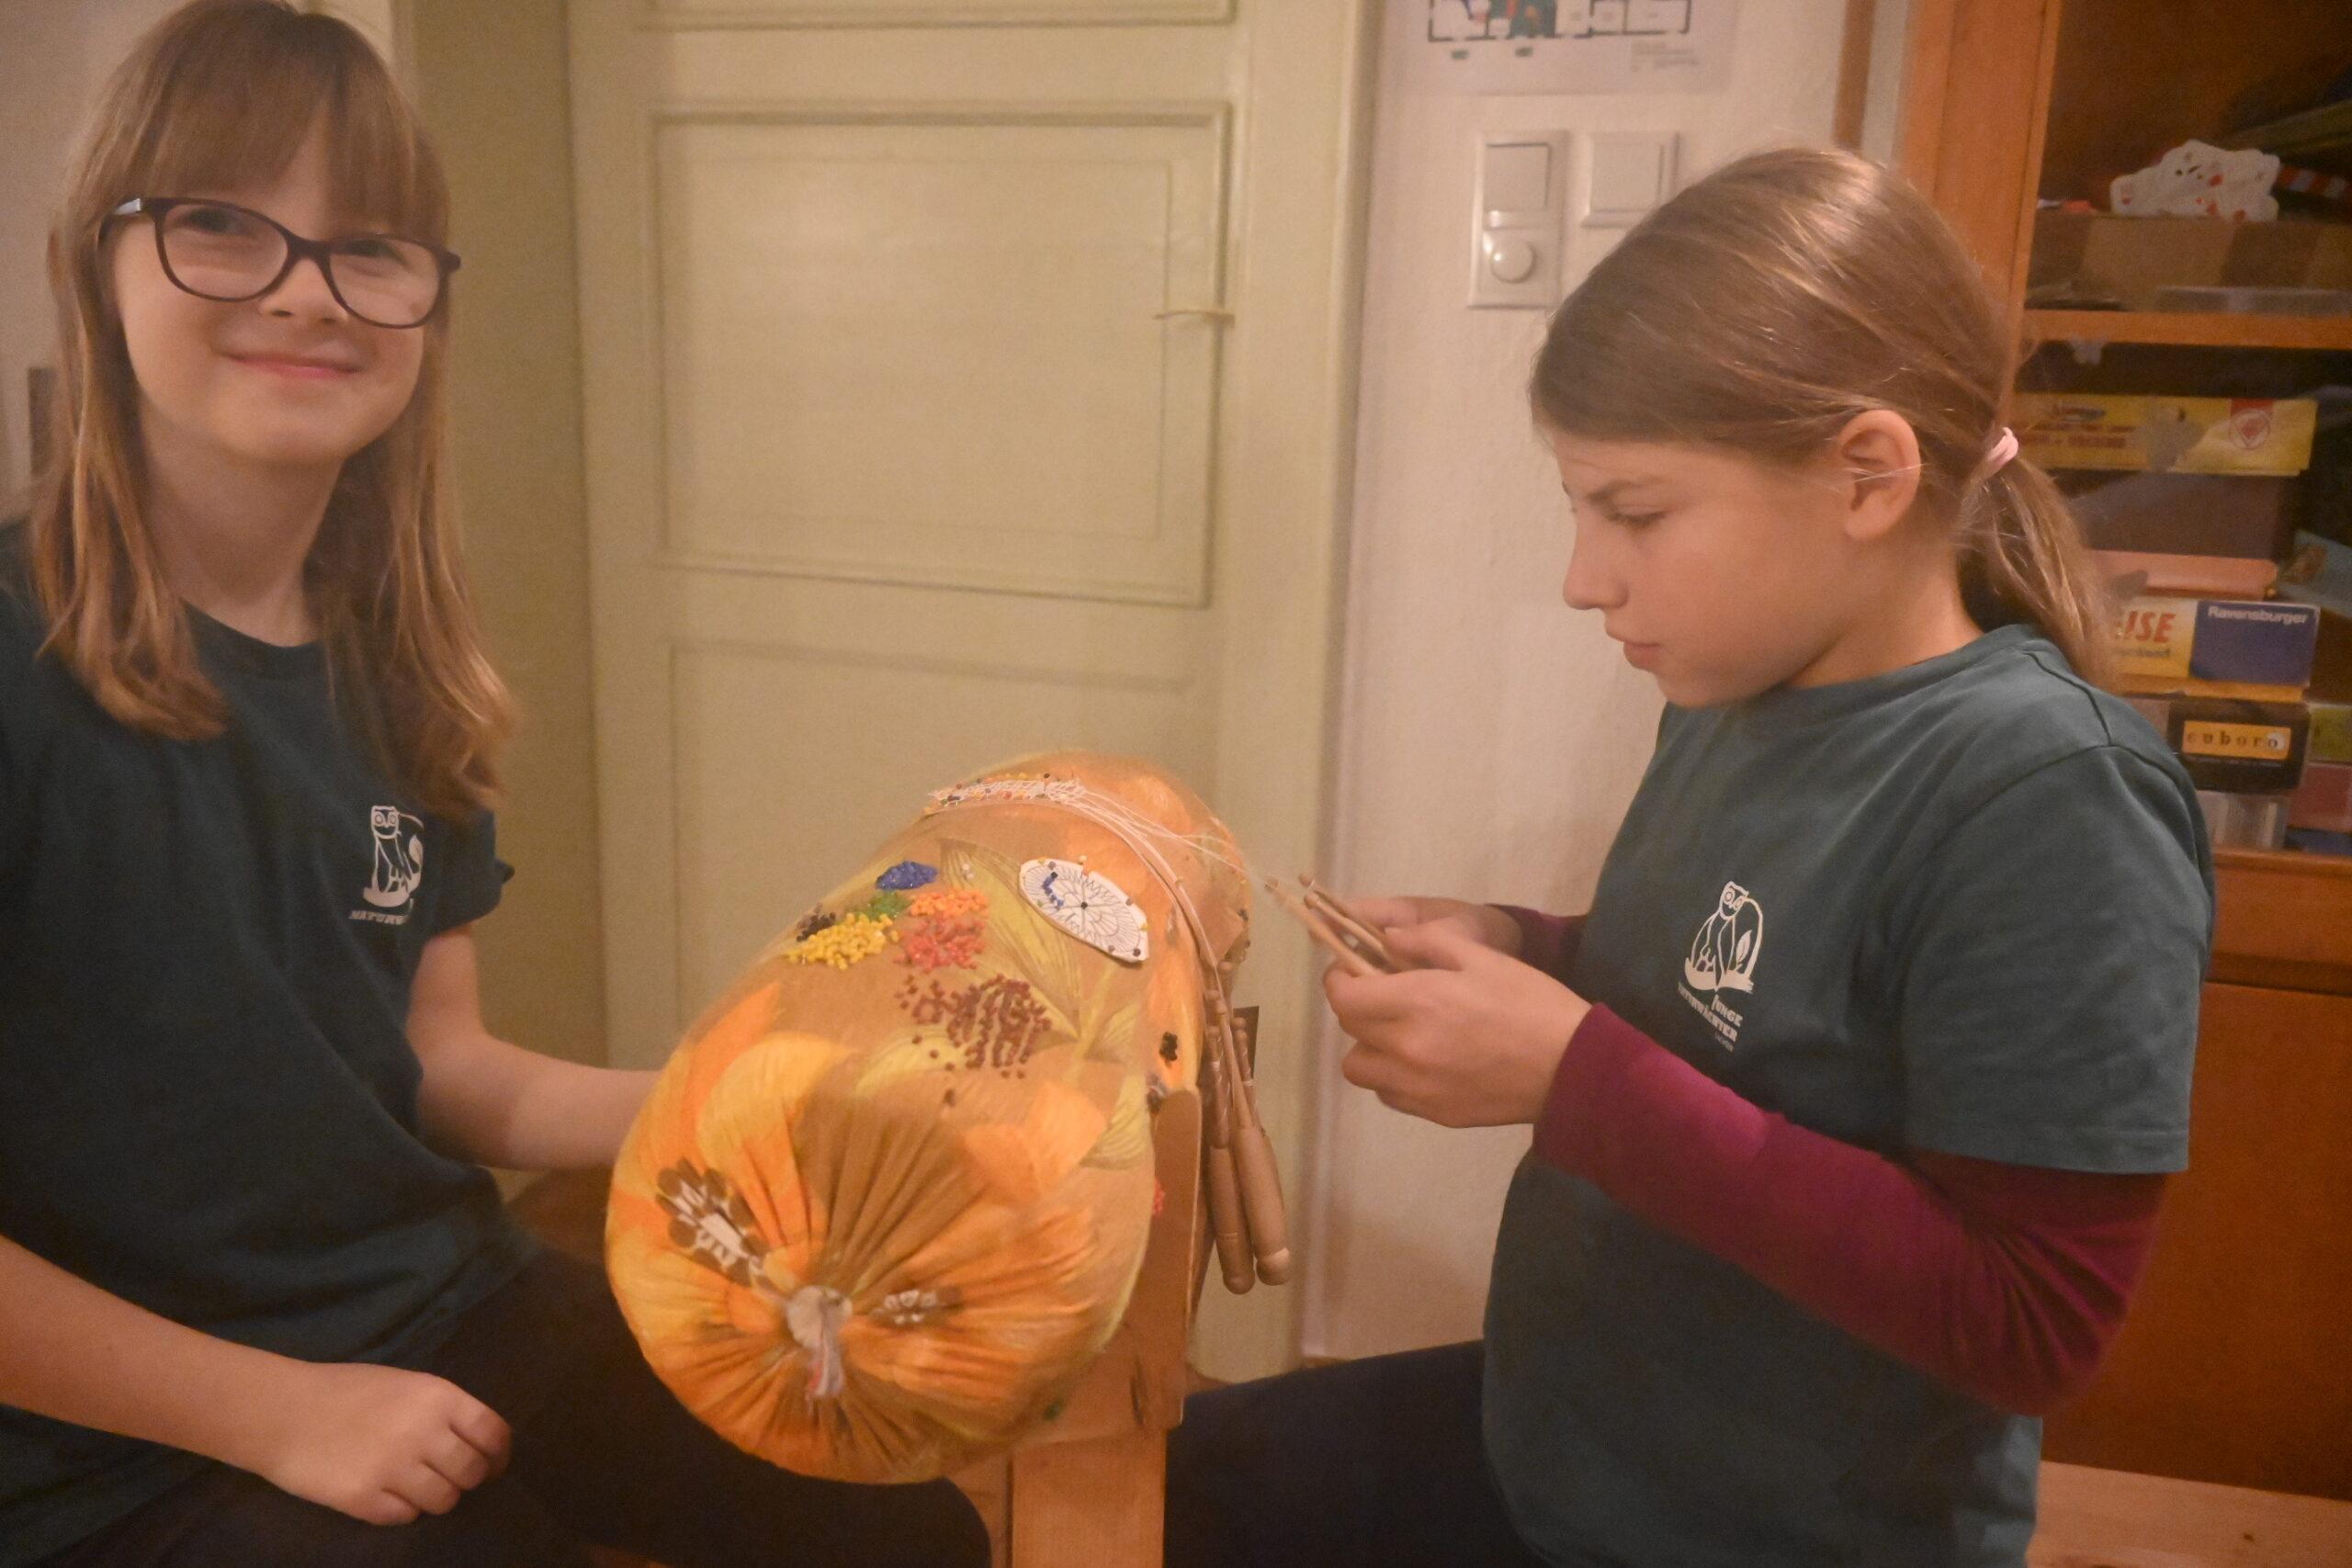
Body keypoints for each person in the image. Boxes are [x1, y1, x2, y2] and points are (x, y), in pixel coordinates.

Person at [0, 4, 987, 1563]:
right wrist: (276, 1413)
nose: (306, 291)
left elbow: (439, 1065)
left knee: (906, 1539)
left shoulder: (402, 665)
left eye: (369, 247)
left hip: (433, 1295)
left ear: (428, 306)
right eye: (219, 226)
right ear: (94, 259)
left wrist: (763, 1098)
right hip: (111, 1440)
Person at [1167, 146, 2213, 1568]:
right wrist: (1523, 949)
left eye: (1637, 513)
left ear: (1867, 476)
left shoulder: (2049, 798)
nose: (1583, 578)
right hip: (1571, 1441)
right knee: (1177, 1480)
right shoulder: (1738, 689)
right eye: (1579, 509)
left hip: (1772, 1532)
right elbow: (1744, 1003)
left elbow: (2035, 1319)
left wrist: (1567, 1079)